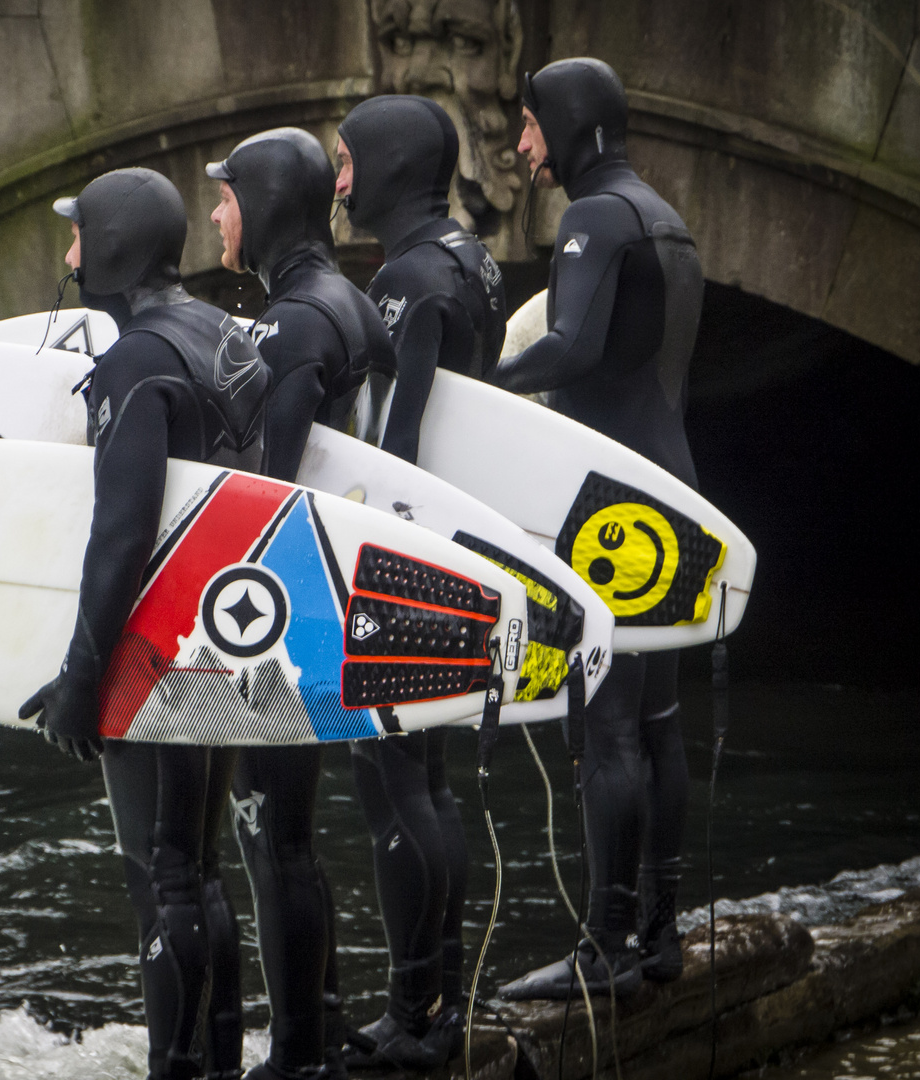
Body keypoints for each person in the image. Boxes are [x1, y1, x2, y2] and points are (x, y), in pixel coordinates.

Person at [19, 167, 270, 1080]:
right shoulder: (220, 333)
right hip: (231, 642)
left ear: (115, 246)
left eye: (81, 234)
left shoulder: (137, 360)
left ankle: (178, 1069)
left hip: (158, 654)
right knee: (201, 870)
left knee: (161, 877)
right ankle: (217, 1065)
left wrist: (83, 680)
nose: (71, 253)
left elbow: (121, 534)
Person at [488, 57, 704, 1000]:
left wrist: (477, 391)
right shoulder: (667, 219)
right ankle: (658, 938)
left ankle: (603, 947)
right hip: (676, 495)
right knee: (659, 724)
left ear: (571, 124)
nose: (526, 147)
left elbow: (571, 349)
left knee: (606, 730)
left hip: (612, 510)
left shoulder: (594, 217)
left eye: (533, 126)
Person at [206, 126, 397, 1080]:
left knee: (269, 836)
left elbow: (266, 488)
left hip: (285, 608)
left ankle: (294, 1056)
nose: (216, 212)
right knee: (293, 834)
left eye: (229, 194)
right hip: (339, 590)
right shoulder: (352, 304)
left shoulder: (290, 324)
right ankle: (317, 1024)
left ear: (268, 203)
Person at [330, 94, 507, 1070]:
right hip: (461, 542)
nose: (340, 182)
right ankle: (443, 1006)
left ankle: (413, 1017)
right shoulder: (474, 259)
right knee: (428, 783)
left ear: (390, 166)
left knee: (393, 779)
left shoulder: (406, 277)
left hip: (408, 550)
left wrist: (362, 546)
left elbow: (396, 443)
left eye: (349, 162)